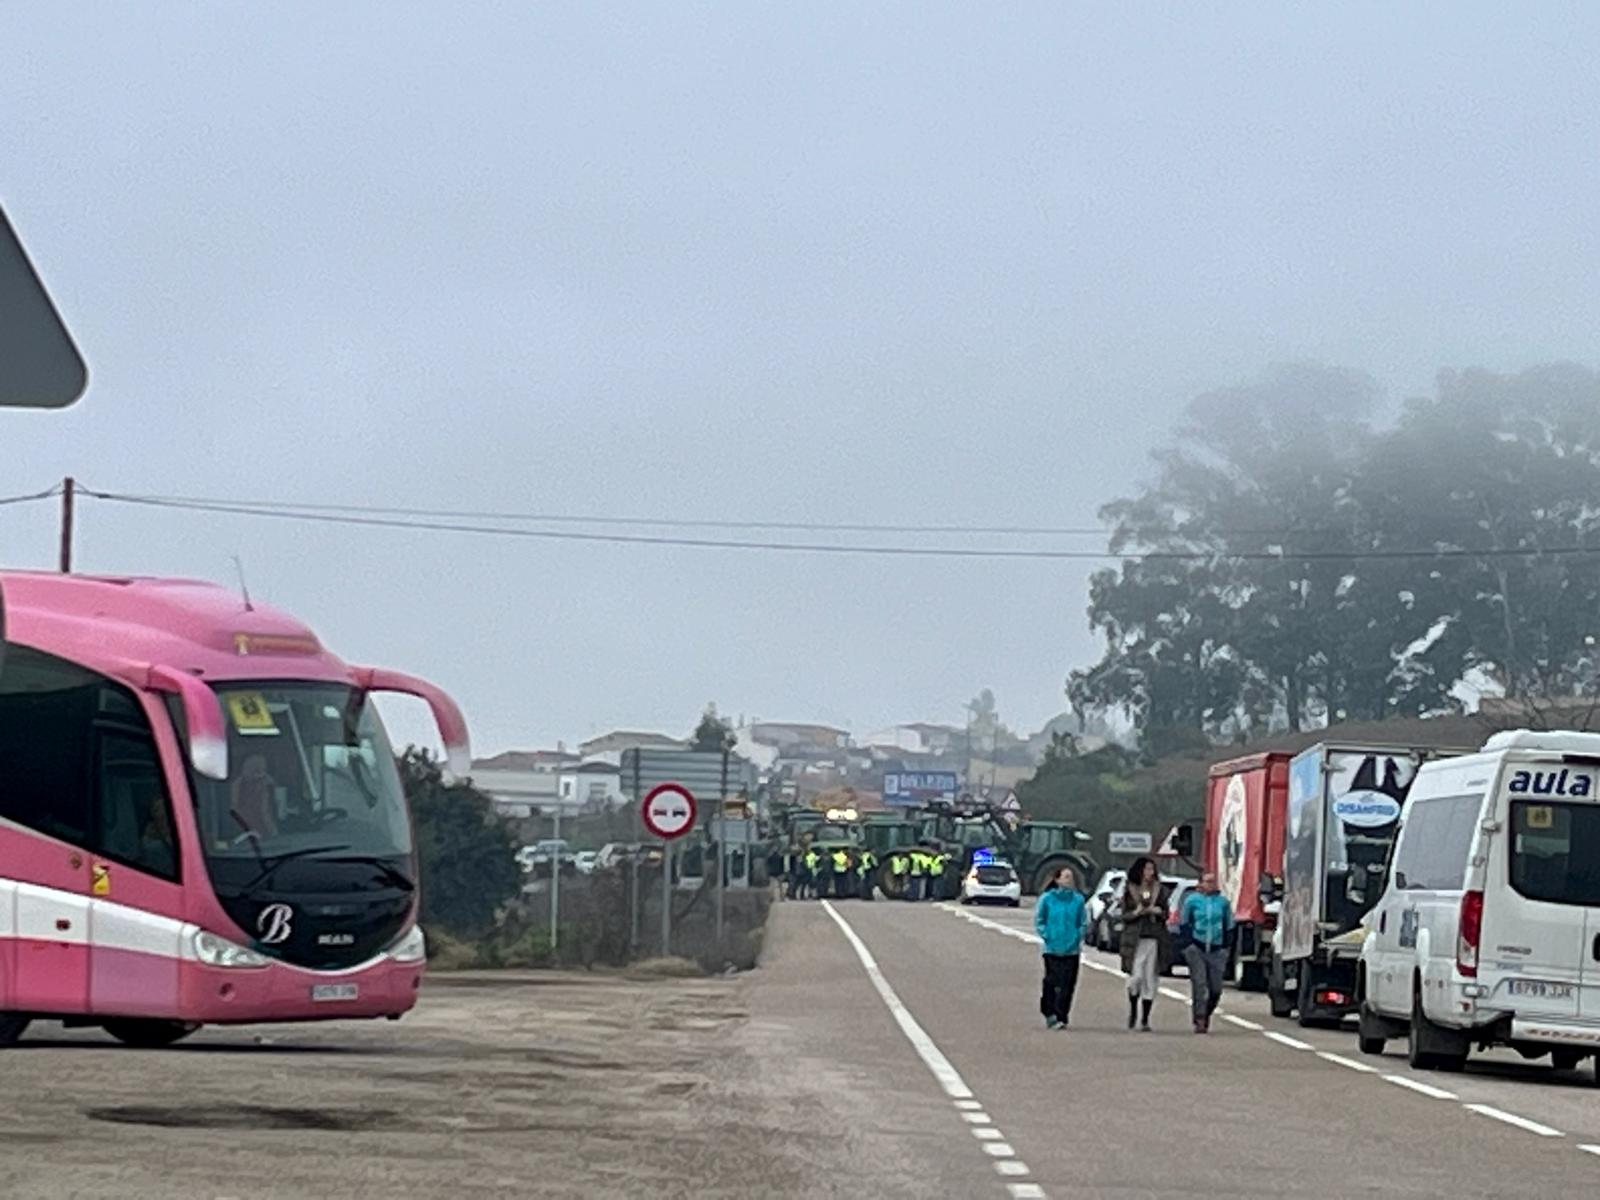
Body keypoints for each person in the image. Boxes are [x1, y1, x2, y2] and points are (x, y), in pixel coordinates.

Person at [1179, 870, 1236, 1034]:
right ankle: (1199, 1018)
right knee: (1199, 983)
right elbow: (1184, 923)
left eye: (1213, 881)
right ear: (1200, 883)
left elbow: (1229, 926)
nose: (1210, 884)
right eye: (1207, 881)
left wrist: (1226, 948)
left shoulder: (1223, 903)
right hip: (1197, 947)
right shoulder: (1192, 901)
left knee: (1216, 988)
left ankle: (1207, 1012)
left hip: (1217, 950)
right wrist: (1188, 944)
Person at [1033, 864, 1088, 1030]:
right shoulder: (1047, 899)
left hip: (1071, 950)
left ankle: (1062, 1015)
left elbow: (1083, 923)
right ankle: (1049, 1011)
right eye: (1065, 877)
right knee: (1052, 982)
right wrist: (1048, 935)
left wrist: (1077, 937)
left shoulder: (1078, 900)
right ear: (1057, 879)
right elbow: (1040, 920)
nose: (1069, 880)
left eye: (1071, 877)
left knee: (1067, 984)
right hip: (1052, 949)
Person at [1118, 857, 1169, 1032]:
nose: (1150, 873)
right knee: (1135, 977)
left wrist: (1158, 911)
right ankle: (1133, 1007)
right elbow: (1124, 915)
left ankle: (1145, 1018)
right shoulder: (1129, 890)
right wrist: (1136, 913)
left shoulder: (1160, 890)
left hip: (1153, 938)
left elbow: (1166, 912)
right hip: (1135, 939)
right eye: (1147, 869)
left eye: (1152, 870)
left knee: (1150, 978)